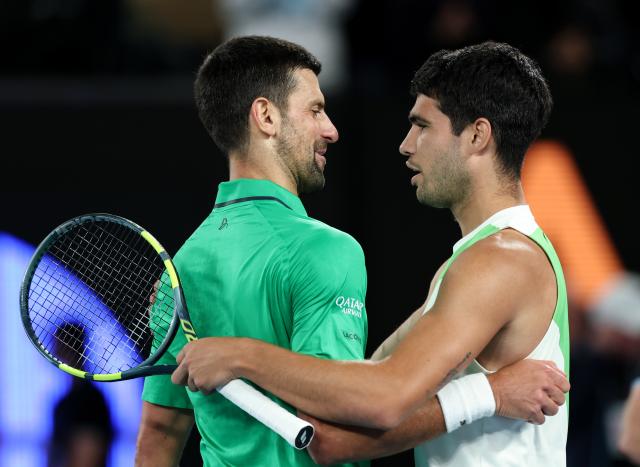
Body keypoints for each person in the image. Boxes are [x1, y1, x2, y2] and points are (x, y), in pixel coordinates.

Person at [171, 41, 571, 466]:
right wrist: (491, 394)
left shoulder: (501, 261)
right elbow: (352, 405)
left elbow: (379, 401)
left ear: (477, 135)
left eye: (422, 126)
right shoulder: (474, 262)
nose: (405, 144)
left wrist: (239, 355)